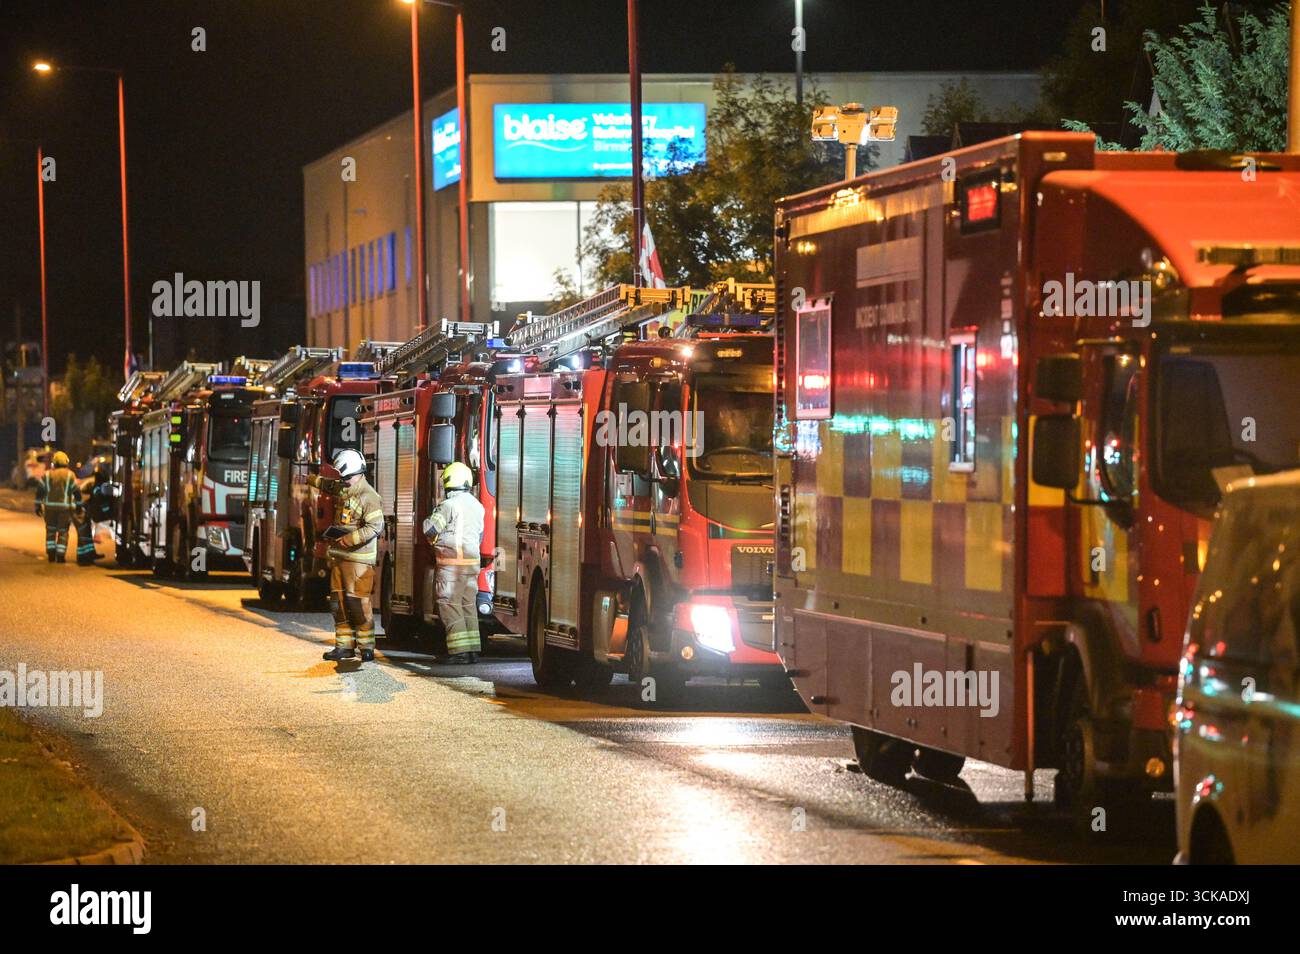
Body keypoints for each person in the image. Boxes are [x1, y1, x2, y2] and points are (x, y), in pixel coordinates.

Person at [313, 449, 383, 663]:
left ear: (356, 473)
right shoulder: (346, 489)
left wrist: (348, 539)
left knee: (358, 605)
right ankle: (344, 646)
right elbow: (329, 485)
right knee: (339, 603)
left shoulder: (368, 496)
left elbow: (375, 527)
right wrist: (311, 479)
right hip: (340, 558)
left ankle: (366, 647)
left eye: (346, 478)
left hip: (359, 561)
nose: (343, 482)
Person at [422, 461, 485, 664]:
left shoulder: (448, 506)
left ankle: (458, 652)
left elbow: (430, 530)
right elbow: (480, 536)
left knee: (448, 604)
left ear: (448, 482)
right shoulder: (477, 506)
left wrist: (429, 523)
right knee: (468, 605)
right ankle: (473, 649)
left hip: (451, 565)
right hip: (471, 565)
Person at [35, 451, 82, 564]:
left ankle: (51, 554)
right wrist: (79, 506)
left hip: (50, 509)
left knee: (50, 531)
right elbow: (77, 492)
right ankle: (60, 556)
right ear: (66, 462)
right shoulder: (70, 475)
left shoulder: (47, 475)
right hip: (64, 509)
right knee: (63, 532)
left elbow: (39, 492)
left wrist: (37, 506)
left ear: (54, 463)